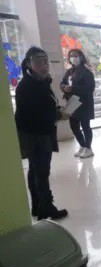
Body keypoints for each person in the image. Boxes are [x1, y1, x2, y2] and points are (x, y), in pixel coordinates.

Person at [15, 47, 68, 220]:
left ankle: (38, 206)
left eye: (45, 60)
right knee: (41, 172)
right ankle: (46, 207)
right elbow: (34, 114)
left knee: (35, 170)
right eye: (39, 61)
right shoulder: (27, 86)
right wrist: (58, 115)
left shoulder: (41, 82)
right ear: (29, 64)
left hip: (40, 132)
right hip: (35, 134)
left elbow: (47, 105)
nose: (44, 65)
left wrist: (57, 111)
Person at [60, 49, 96, 159]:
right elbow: (62, 83)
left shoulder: (86, 72)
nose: (73, 58)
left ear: (81, 57)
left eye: (76, 55)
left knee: (85, 126)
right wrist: (64, 87)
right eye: (71, 56)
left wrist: (73, 89)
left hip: (84, 103)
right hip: (72, 102)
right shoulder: (69, 72)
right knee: (73, 126)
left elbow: (90, 88)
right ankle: (83, 145)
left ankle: (88, 148)